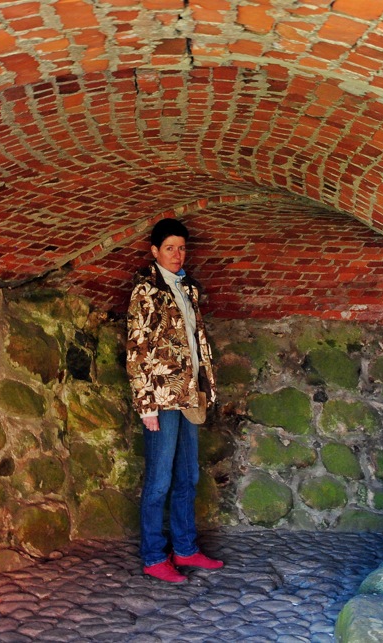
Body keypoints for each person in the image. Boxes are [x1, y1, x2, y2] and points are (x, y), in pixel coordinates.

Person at [126, 218, 224, 583]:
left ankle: (184, 548)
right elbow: (137, 350)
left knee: (188, 476)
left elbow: (196, 344)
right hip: (162, 399)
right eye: (170, 248)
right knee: (159, 481)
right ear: (155, 251)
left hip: (190, 395)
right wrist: (146, 406)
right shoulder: (146, 291)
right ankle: (154, 556)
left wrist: (206, 387)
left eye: (181, 248)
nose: (177, 254)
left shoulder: (188, 288)